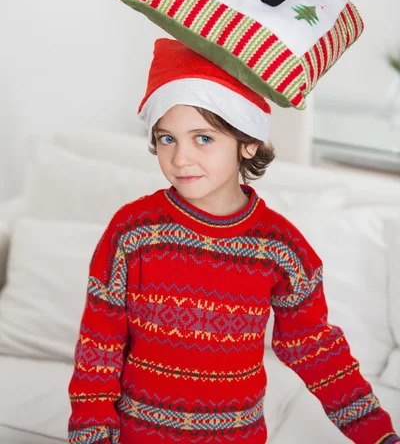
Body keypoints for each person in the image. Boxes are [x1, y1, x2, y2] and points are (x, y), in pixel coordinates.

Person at [67, 37, 399, 444]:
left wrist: (379, 435)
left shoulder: (280, 247)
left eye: (203, 138)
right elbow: (98, 347)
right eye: (167, 138)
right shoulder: (132, 231)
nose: (180, 158)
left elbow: (316, 350)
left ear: (249, 143)